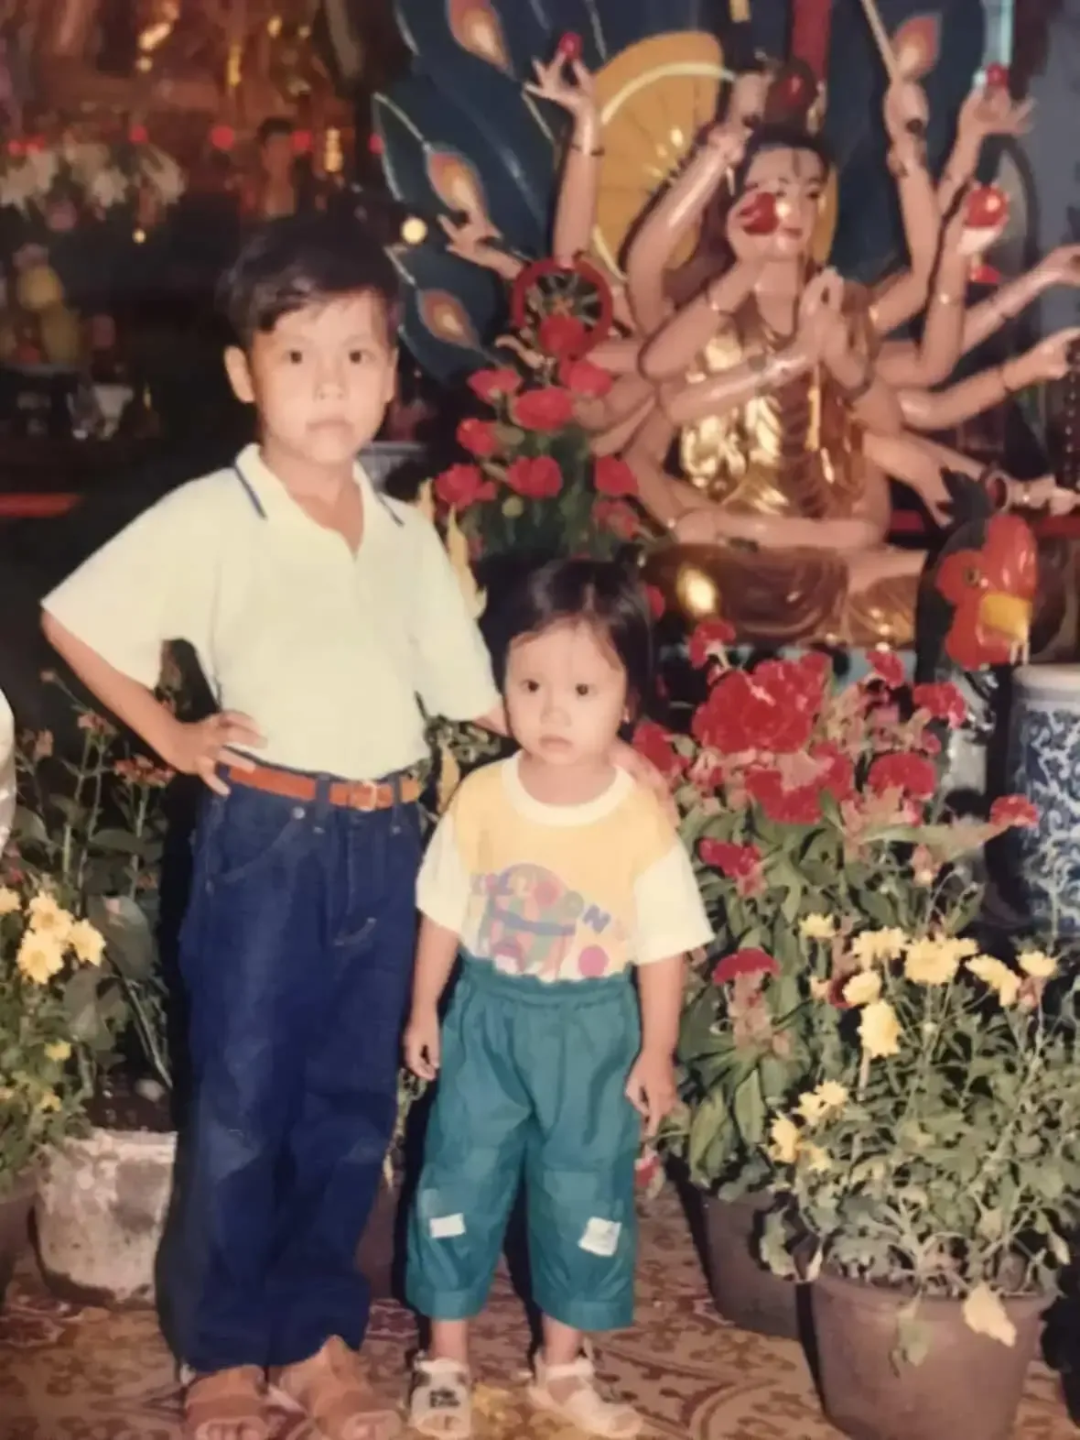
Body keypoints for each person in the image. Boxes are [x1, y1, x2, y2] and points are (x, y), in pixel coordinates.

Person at [38, 211, 505, 1440]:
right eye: (297, 356)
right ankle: (223, 1349)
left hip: (389, 844)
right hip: (270, 844)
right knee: (244, 1103)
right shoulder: (213, 515)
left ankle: (312, 1338)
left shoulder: (403, 533)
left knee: (350, 1107)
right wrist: (172, 734)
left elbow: (472, 693)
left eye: (356, 355)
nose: (329, 384)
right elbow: (72, 620)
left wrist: (592, 748)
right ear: (246, 374)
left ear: (393, 374)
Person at [403, 558, 713, 1440]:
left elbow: (662, 947)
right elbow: (442, 913)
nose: (552, 711)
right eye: (530, 684)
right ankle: (445, 1360)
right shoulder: (483, 797)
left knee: (585, 1190)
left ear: (628, 700)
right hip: (488, 1018)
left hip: (593, 1031)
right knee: (458, 1175)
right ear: (501, 682)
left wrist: (656, 1051)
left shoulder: (637, 816)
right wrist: (425, 1008)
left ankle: (565, 1364)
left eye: (583, 690)